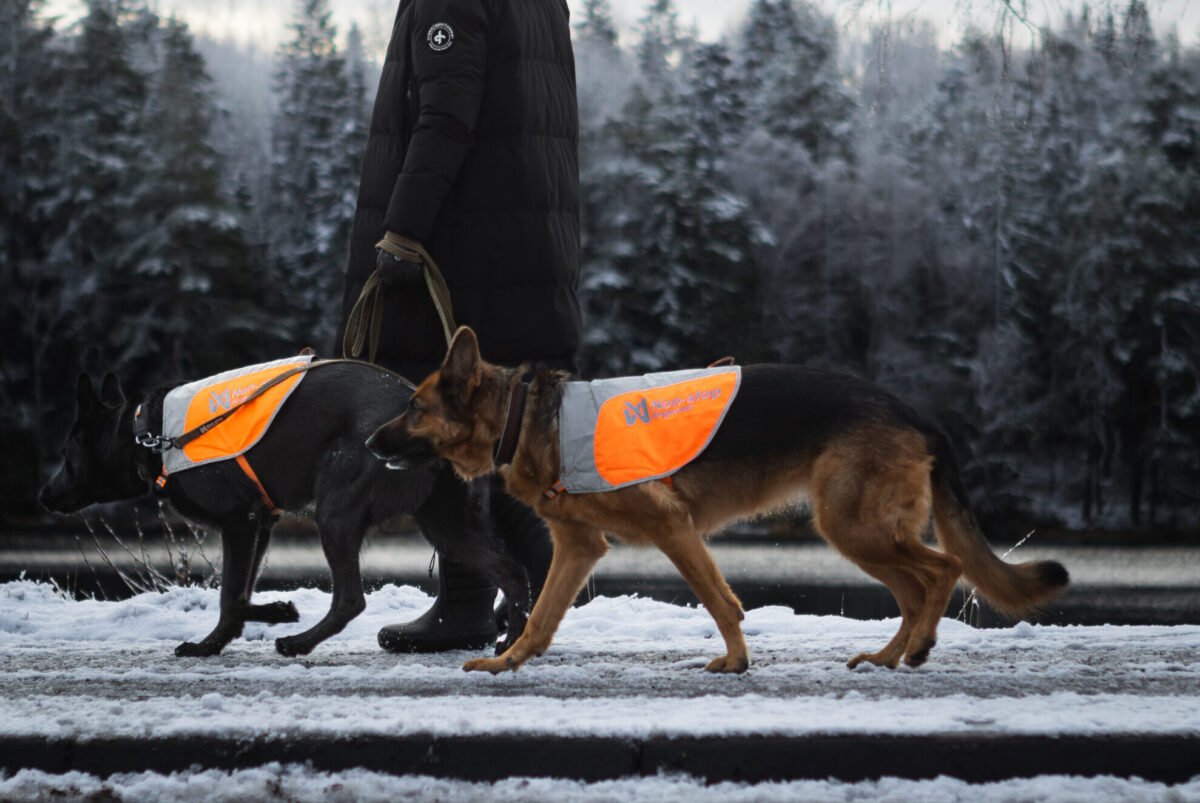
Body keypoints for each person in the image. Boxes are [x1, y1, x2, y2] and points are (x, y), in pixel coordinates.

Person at [335, 0, 582, 652]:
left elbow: (445, 117)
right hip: (526, 246)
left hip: (464, 251)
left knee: (456, 428)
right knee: (500, 434)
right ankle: (474, 600)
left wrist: (403, 230)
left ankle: (530, 589)